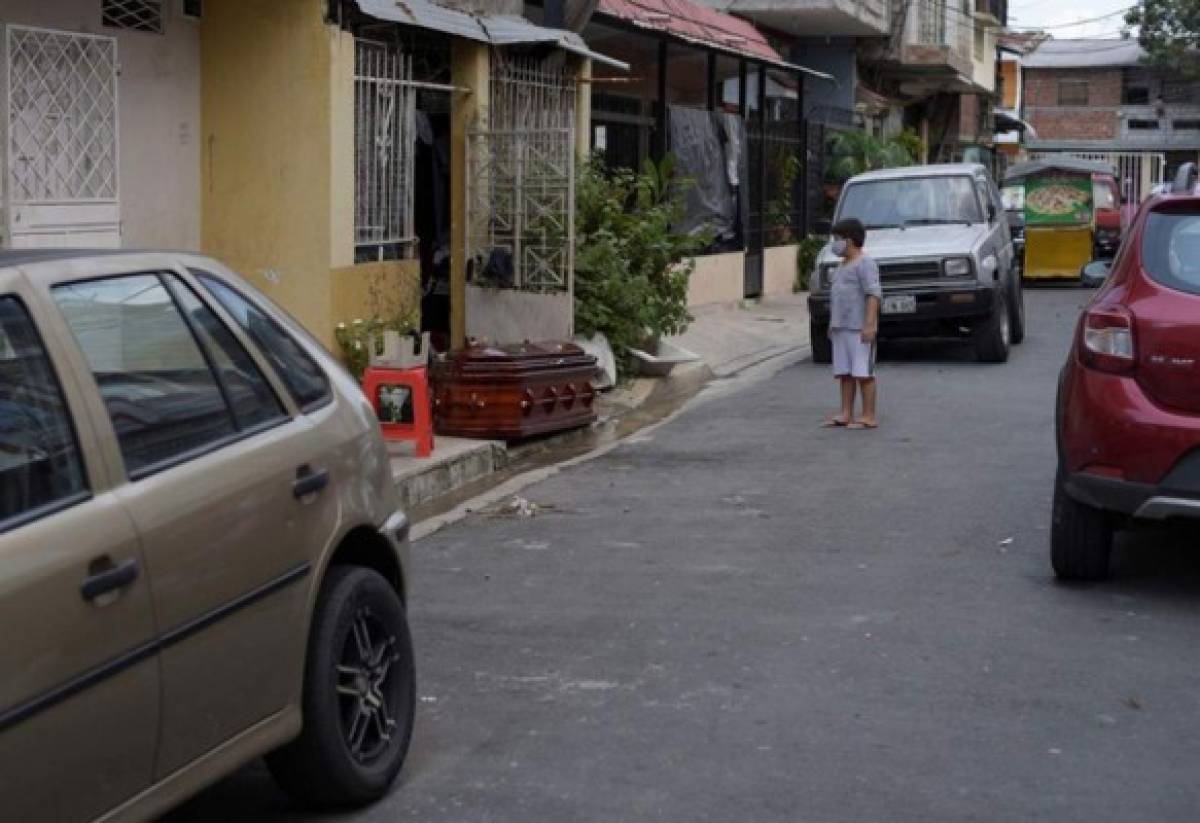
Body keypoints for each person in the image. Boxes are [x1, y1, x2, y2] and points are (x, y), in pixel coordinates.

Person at [822, 217, 881, 430]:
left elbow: (873, 294)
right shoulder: (841, 266)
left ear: (850, 240)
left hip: (859, 328)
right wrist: (832, 323)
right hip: (841, 327)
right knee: (845, 373)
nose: (834, 243)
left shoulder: (865, 263)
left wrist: (870, 324)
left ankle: (868, 415)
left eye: (838, 238)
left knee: (863, 373)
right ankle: (845, 412)